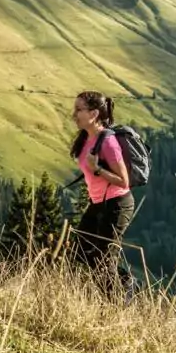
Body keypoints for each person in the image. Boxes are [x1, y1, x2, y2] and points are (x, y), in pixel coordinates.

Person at [68, 91, 134, 293]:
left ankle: (117, 301)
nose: (74, 114)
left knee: (103, 259)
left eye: (79, 110)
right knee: (81, 251)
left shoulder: (108, 142)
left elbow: (124, 181)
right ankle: (122, 280)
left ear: (94, 113)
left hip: (117, 203)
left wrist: (97, 169)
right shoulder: (87, 138)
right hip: (98, 203)